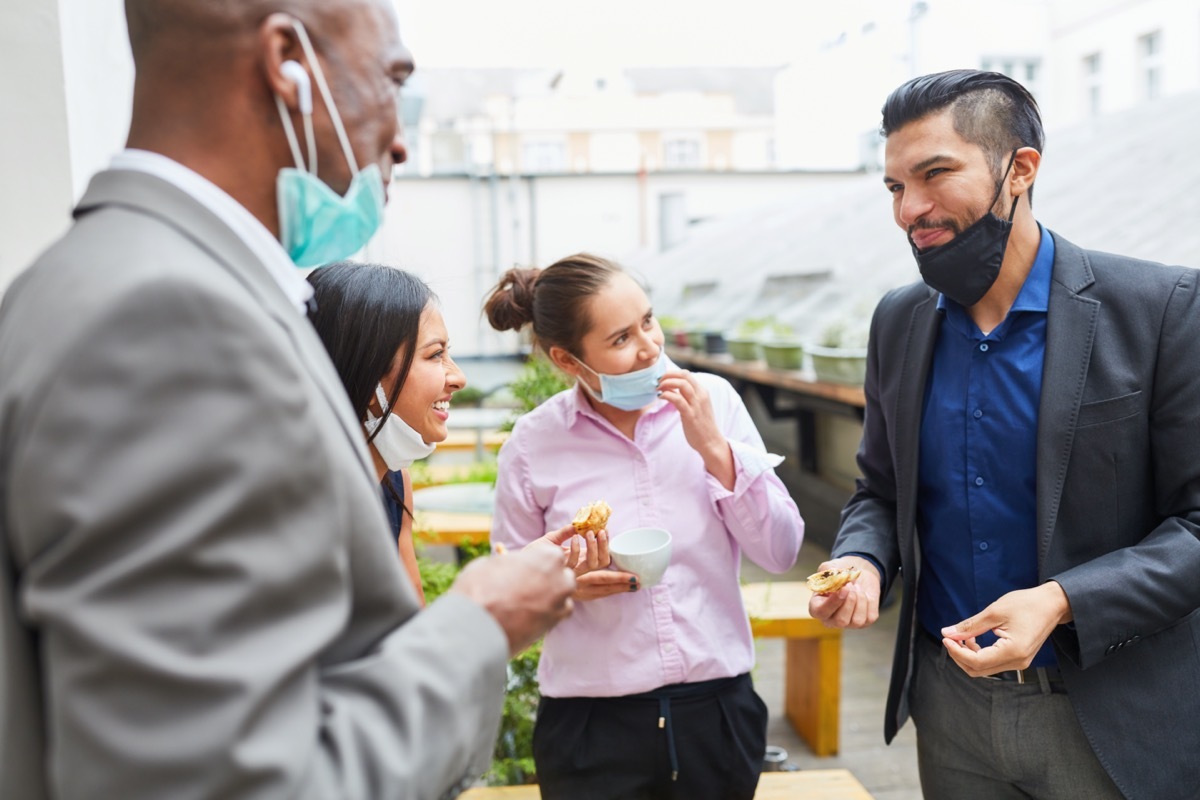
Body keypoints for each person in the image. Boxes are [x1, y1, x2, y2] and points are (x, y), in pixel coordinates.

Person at [0, 2, 577, 798]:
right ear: (287, 62)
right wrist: (480, 625)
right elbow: (225, 781)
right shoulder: (170, 321)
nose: (400, 139)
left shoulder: (106, 279)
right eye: (392, 81)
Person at [809, 69, 1200, 800]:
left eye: (934, 175)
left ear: (1019, 170)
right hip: (948, 708)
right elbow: (881, 490)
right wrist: (861, 559)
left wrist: (1062, 600)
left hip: (1113, 711)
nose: (909, 210)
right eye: (895, 187)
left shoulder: (1162, 308)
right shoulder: (899, 320)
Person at [484, 253, 805, 800]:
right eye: (621, 338)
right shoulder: (534, 444)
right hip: (590, 732)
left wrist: (713, 449)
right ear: (568, 359)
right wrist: (560, 588)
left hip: (717, 714)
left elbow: (782, 551)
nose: (651, 346)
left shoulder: (715, 404)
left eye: (649, 321)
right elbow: (506, 612)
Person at [307, 261, 464, 604]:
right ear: (365, 370)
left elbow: (411, 634)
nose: (457, 378)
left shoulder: (395, 482)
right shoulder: (297, 508)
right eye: (435, 354)